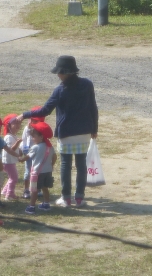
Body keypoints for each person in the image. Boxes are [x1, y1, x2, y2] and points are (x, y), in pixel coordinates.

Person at [18, 56, 98, 208]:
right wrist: (94, 128)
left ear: (65, 73)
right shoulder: (87, 84)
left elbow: (45, 110)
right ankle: (79, 198)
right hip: (84, 131)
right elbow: (93, 107)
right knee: (81, 165)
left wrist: (24, 115)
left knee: (66, 165)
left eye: (59, 73)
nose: (58, 75)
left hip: (66, 133)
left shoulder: (60, 90)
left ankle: (66, 198)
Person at [19, 122, 56, 214]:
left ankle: (31, 207)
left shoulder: (35, 147)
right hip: (47, 171)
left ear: (41, 137)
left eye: (34, 137)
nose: (32, 138)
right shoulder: (49, 147)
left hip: (37, 173)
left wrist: (21, 159)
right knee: (45, 188)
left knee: (34, 190)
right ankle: (46, 204)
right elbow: (55, 156)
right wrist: (51, 165)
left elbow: (27, 156)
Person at [20, 107, 44, 199]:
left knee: (38, 171)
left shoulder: (41, 129)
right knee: (28, 172)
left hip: (38, 153)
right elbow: (24, 140)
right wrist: (23, 150)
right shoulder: (27, 129)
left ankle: (37, 189)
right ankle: (26, 190)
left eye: (36, 121)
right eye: (32, 120)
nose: (33, 122)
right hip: (29, 153)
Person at [1, 114, 23, 200]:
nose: (18, 125)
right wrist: (17, 143)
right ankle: (10, 194)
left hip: (10, 161)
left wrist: (20, 151)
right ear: (9, 125)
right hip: (8, 161)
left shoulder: (13, 136)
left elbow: (15, 149)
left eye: (19, 123)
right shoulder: (8, 137)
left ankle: (5, 191)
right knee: (14, 178)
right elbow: (11, 149)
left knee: (12, 177)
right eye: (15, 123)